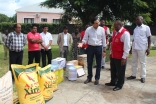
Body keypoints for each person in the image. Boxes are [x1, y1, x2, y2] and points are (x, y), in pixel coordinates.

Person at [78, 17, 106, 85]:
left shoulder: (102, 29)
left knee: (98, 64)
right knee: (89, 63)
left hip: (99, 47)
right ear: (93, 24)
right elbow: (85, 39)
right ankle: (89, 77)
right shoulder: (88, 29)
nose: (98, 24)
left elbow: (104, 40)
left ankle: (97, 78)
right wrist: (82, 43)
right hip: (90, 47)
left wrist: (104, 50)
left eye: (98, 22)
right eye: (96, 23)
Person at [105, 20, 130, 91]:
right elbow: (112, 43)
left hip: (120, 57)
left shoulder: (125, 33)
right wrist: (110, 53)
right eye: (114, 26)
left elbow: (127, 47)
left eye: (116, 26)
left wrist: (124, 58)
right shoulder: (114, 32)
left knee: (120, 72)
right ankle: (113, 81)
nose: (115, 28)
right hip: (113, 55)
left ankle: (119, 84)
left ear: (120, 25)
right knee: (113, 70)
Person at [127, 16, 151, 83]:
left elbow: (149, 38)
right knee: (134, 62)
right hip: (135, 47)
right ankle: (133, 75)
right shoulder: (135, 29)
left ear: (142, 20)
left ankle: (143, 76)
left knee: (143, 63)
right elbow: (134, 39)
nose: (137, 21)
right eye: (136, 20)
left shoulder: (146, 28)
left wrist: (148, 48)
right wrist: (131, 48)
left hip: (142, 48)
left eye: (138, 19)